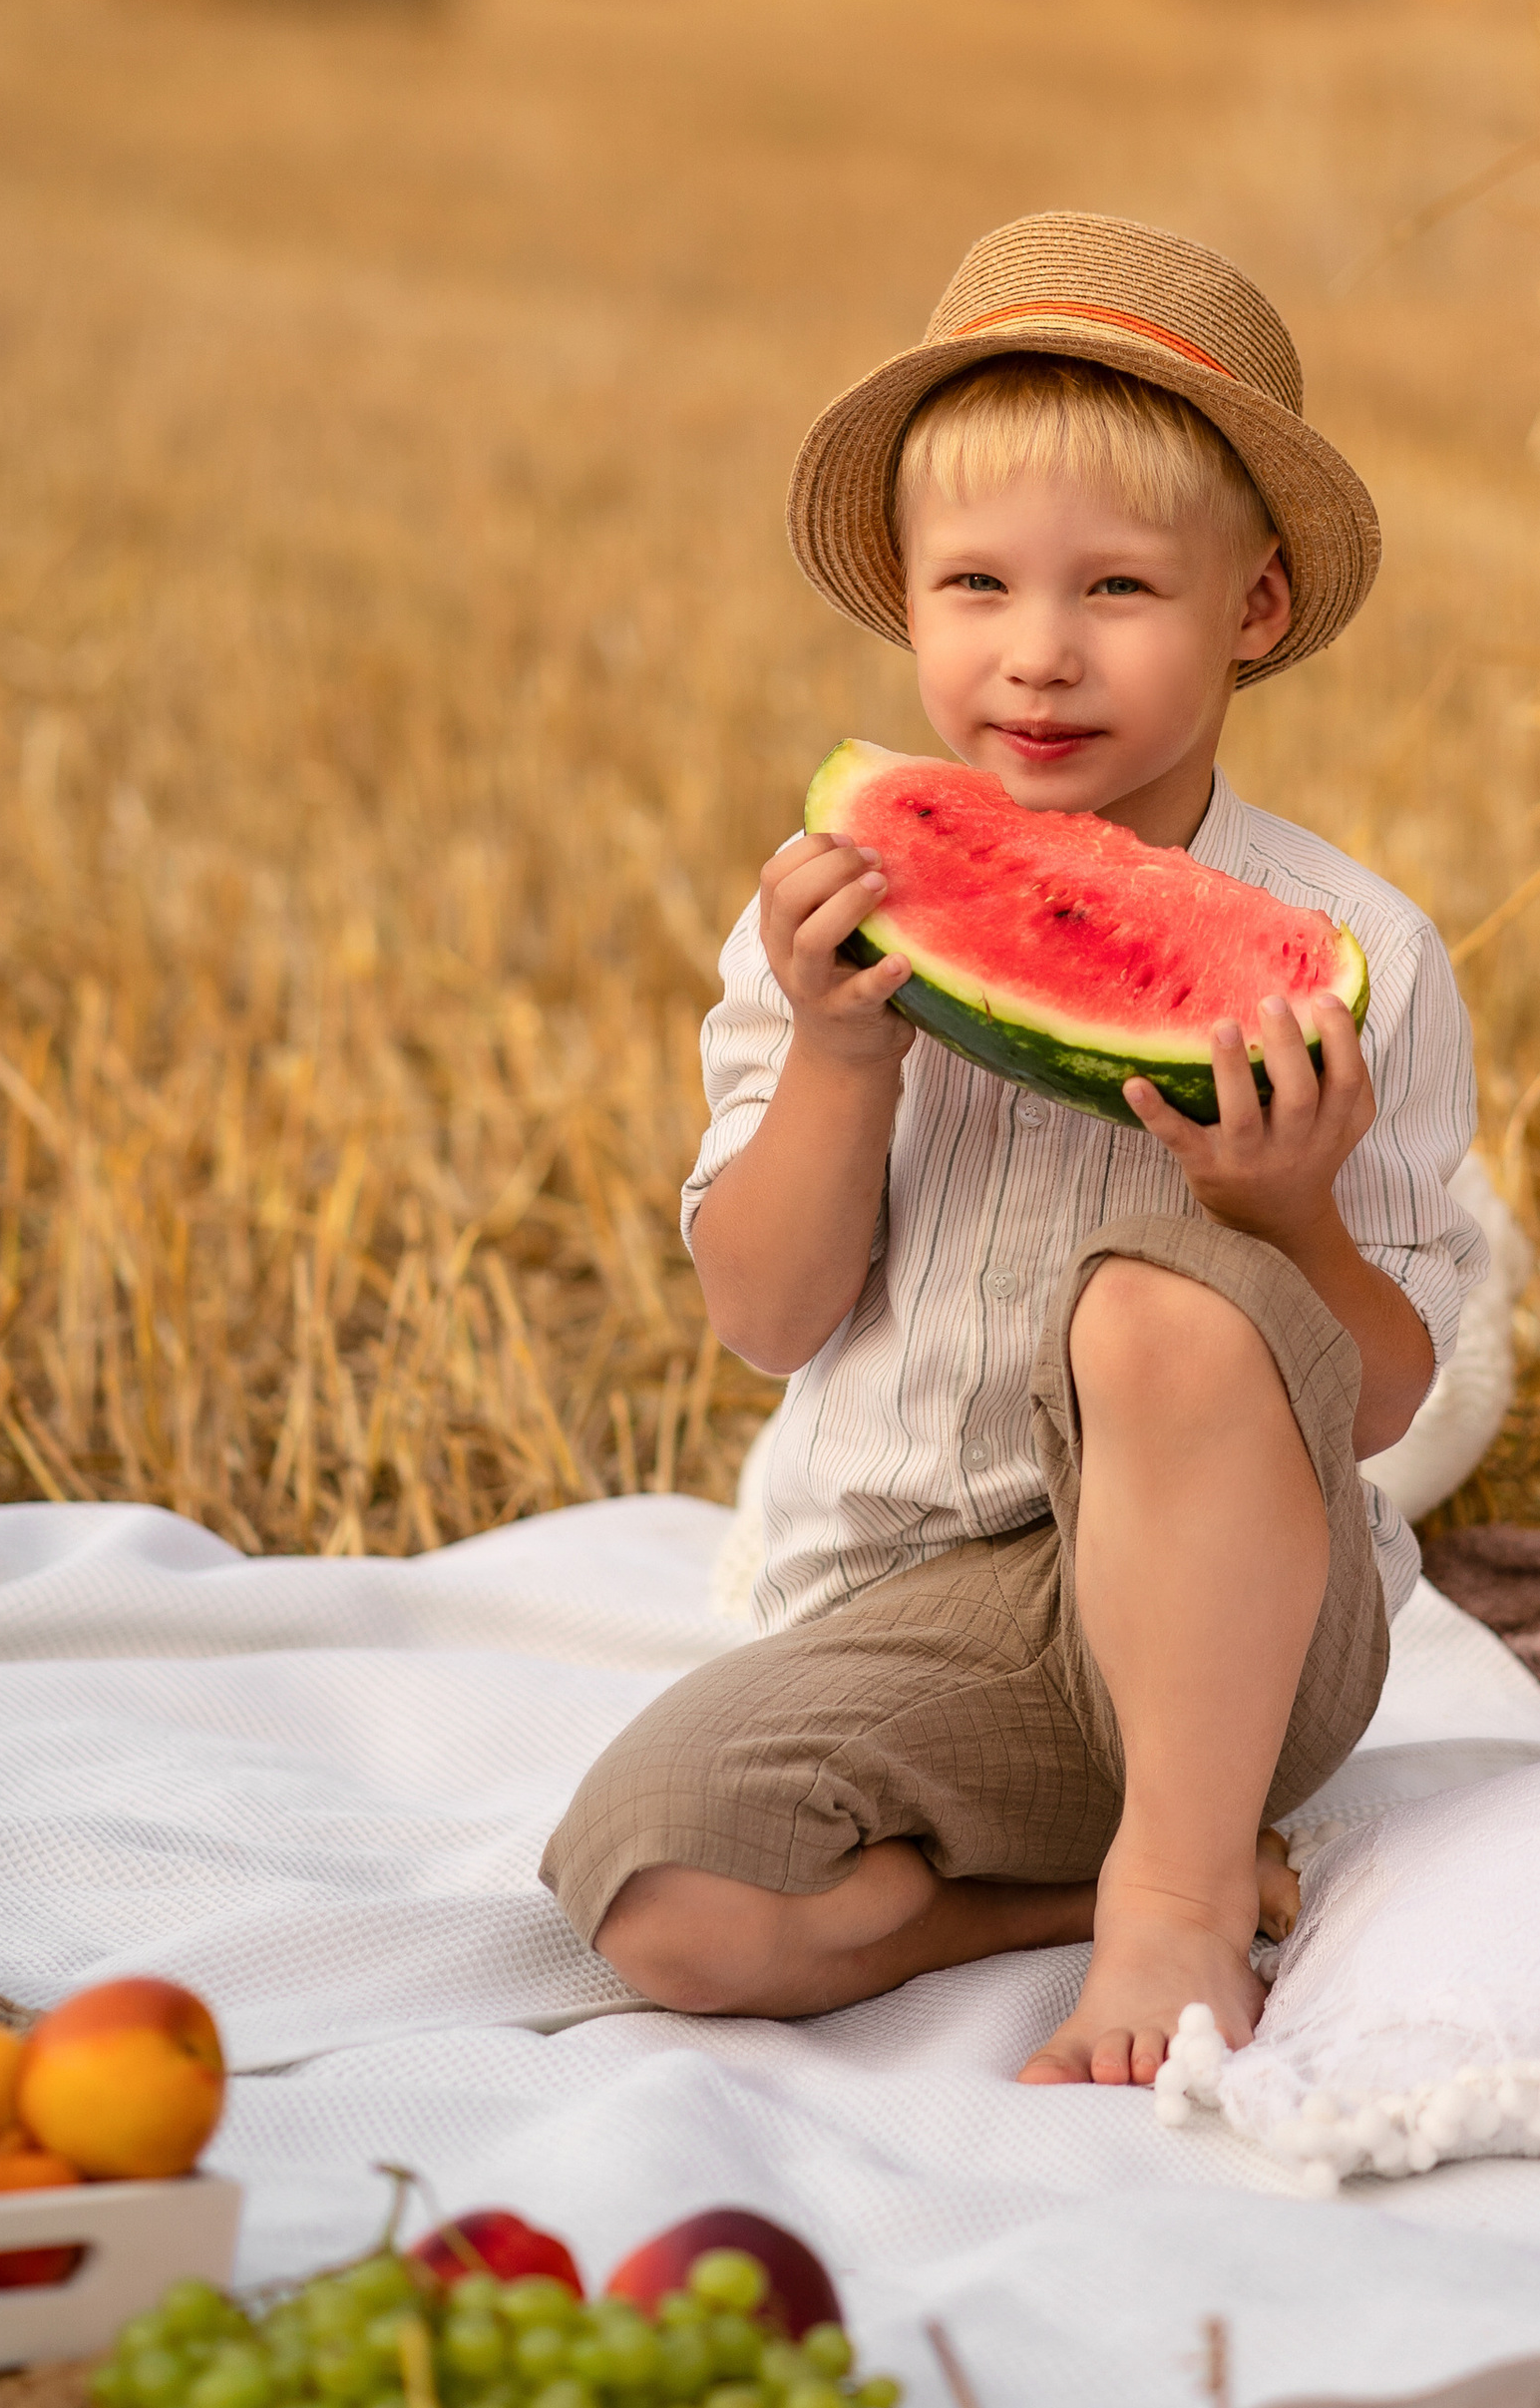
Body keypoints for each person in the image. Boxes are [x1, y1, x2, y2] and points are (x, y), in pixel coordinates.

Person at [542, 211, 1486, 2086]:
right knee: (665, 1902)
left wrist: (1288, 1209)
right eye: (976, 585)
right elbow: (764, 1314)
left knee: (1159, 1305)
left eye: (1118, 591)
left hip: (1251, 1634)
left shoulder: (1347, 948)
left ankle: (1179, 1898)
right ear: (906, 599)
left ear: (1258, 611)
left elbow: (1382, 1400)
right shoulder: (834, 919)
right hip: (927, 1613)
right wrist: (832, 1056)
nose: (1037, 659)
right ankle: (1085, 1892)